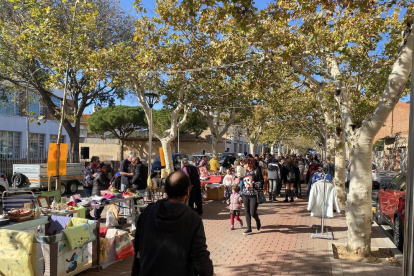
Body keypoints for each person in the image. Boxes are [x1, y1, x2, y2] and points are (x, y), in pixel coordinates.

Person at [131, 171, 214, 276]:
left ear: (166, 190)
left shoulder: (148, 211)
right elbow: (200, 258)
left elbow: (138, 247)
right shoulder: (193, 219)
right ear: (188, 190)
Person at [241, 157, 263, 235]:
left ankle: (257, 220)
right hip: (245, 194)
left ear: (249, 164)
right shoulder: (246, 172)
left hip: (253, 194)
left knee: (252, 212)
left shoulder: (257, 171)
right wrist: (241, 194)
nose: (243, 166)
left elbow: (261, 181)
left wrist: (254, 184)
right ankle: (249, 228)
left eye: (244, 164)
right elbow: (243, 183)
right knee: (246, 211)